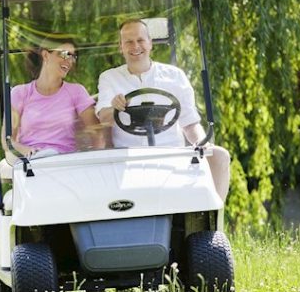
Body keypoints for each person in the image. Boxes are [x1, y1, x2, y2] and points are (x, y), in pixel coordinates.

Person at [96, 19, 231, 202]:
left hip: (171, 154)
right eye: (128, 42)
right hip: (127, 159)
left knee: (220, 155)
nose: (135, 46)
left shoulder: (174, 75)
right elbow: (104, 117)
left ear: (150, 43)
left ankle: (213, 222)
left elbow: (190, 123)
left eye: (140, 40)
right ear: (121, 47)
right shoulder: (110, 77)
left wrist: (201, 144)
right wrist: (114, 107)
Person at [2, 40, 101, 161]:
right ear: (45, 55)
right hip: (31, 163)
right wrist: (28, 151)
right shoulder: (20, 93)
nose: (70, 61)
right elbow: (7, 140)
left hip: (65, 162)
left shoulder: (77, 92)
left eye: (73, 56)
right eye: (65, 54)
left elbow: (97, 133)